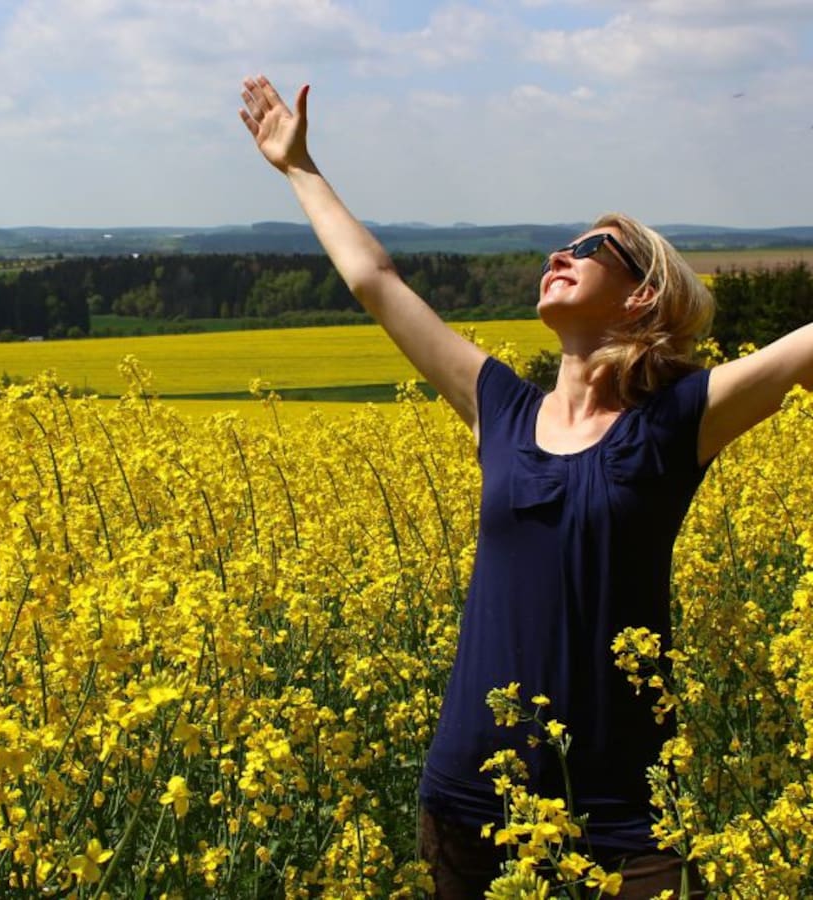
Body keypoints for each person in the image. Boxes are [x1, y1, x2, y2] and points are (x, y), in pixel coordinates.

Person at [238, 73, 813, 898]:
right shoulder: (499, 408)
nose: (561, 256)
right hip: (474, 801)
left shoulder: (679, 419)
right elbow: (378, 284)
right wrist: (298, 166)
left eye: (589, 251)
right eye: (562, 247)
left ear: (643, 293)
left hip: (620, 812)